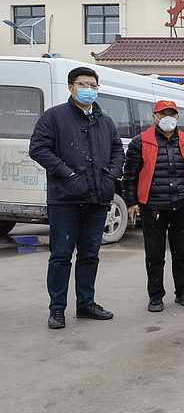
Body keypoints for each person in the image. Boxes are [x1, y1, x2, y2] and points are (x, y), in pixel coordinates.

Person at [29, 66, 124, 329]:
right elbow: (38, 148)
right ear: (71, 87)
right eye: (83, 85)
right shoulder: (54, 116)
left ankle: (86, 304)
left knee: (90, 254)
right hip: (65, 198)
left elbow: (117, 150)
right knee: (61, 255)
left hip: (98, 198)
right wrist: (66, 172)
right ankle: (57, 308)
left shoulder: (104, 121)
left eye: (93, 85)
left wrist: (112, 174)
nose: (88, 90)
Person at [122, 100, 184, 312]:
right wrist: (132, 202)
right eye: (163, 114)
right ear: (155, 117)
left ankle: (183, 292)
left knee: (182, 252)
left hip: (183, 204)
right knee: (154, 254)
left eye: (171, 114)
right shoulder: (140, 142)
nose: (168, 118)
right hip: (153, 206)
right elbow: (129, 175)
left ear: (177, 117)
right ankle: (155, 295)